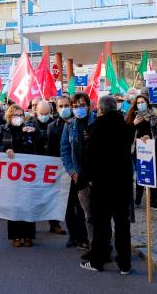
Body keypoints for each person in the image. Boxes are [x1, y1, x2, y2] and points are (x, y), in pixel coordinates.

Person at [79, 96, 134, 275]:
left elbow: (89, 159)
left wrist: (87, 178)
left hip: (101, 185)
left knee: (102, 225)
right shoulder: (125, 128)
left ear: (100, 110)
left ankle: (98, 261)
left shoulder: (95, 128)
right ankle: (124, 264)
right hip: (123, 184)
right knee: (122, 225)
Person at [0, 104, 41, 247]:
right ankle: (16, 236)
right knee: (14, 204)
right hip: (11, 175)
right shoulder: (3, 129)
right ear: (9, 116)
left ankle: (28, 236)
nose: (18, 118)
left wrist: (35, 132)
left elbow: (41, 143)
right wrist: (5, 150)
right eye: (15, 115)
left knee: (27, 203)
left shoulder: (29, 128)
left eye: (21, 115)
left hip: (27, 174)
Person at [60, 92, 97, 249]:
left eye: (82, 106)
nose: (78, 109)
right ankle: (93, 244)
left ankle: (104, 244)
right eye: (75, 106)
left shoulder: (97, 121)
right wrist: (72, 172)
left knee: (101, 213)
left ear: (88, 106)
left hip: (97, 175)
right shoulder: (69, 125)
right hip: (80, 176)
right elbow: (65, 150)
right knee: (89, 214)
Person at [27, 100, 66, 235]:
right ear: (36, 112)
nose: (44, 116)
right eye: (41, 113)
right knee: (34, 196)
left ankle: (54, 223)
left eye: (46, 113)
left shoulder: (55, 123)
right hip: (36, 166)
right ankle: (31, 227)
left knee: (53, 196)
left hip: (52, 164)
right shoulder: (30, 122)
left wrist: (37, 132)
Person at [126, 94, 157, 210]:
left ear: (147, 102)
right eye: (138, 102)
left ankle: (153, 201)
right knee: (141, 172)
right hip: (138, 149)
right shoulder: (132, 115)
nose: (140, 104)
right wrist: (133, 124)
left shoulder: (155, 114)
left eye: (142, 102)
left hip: (153, 148)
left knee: (154, 174)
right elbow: (125, 132)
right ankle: (138, 197)